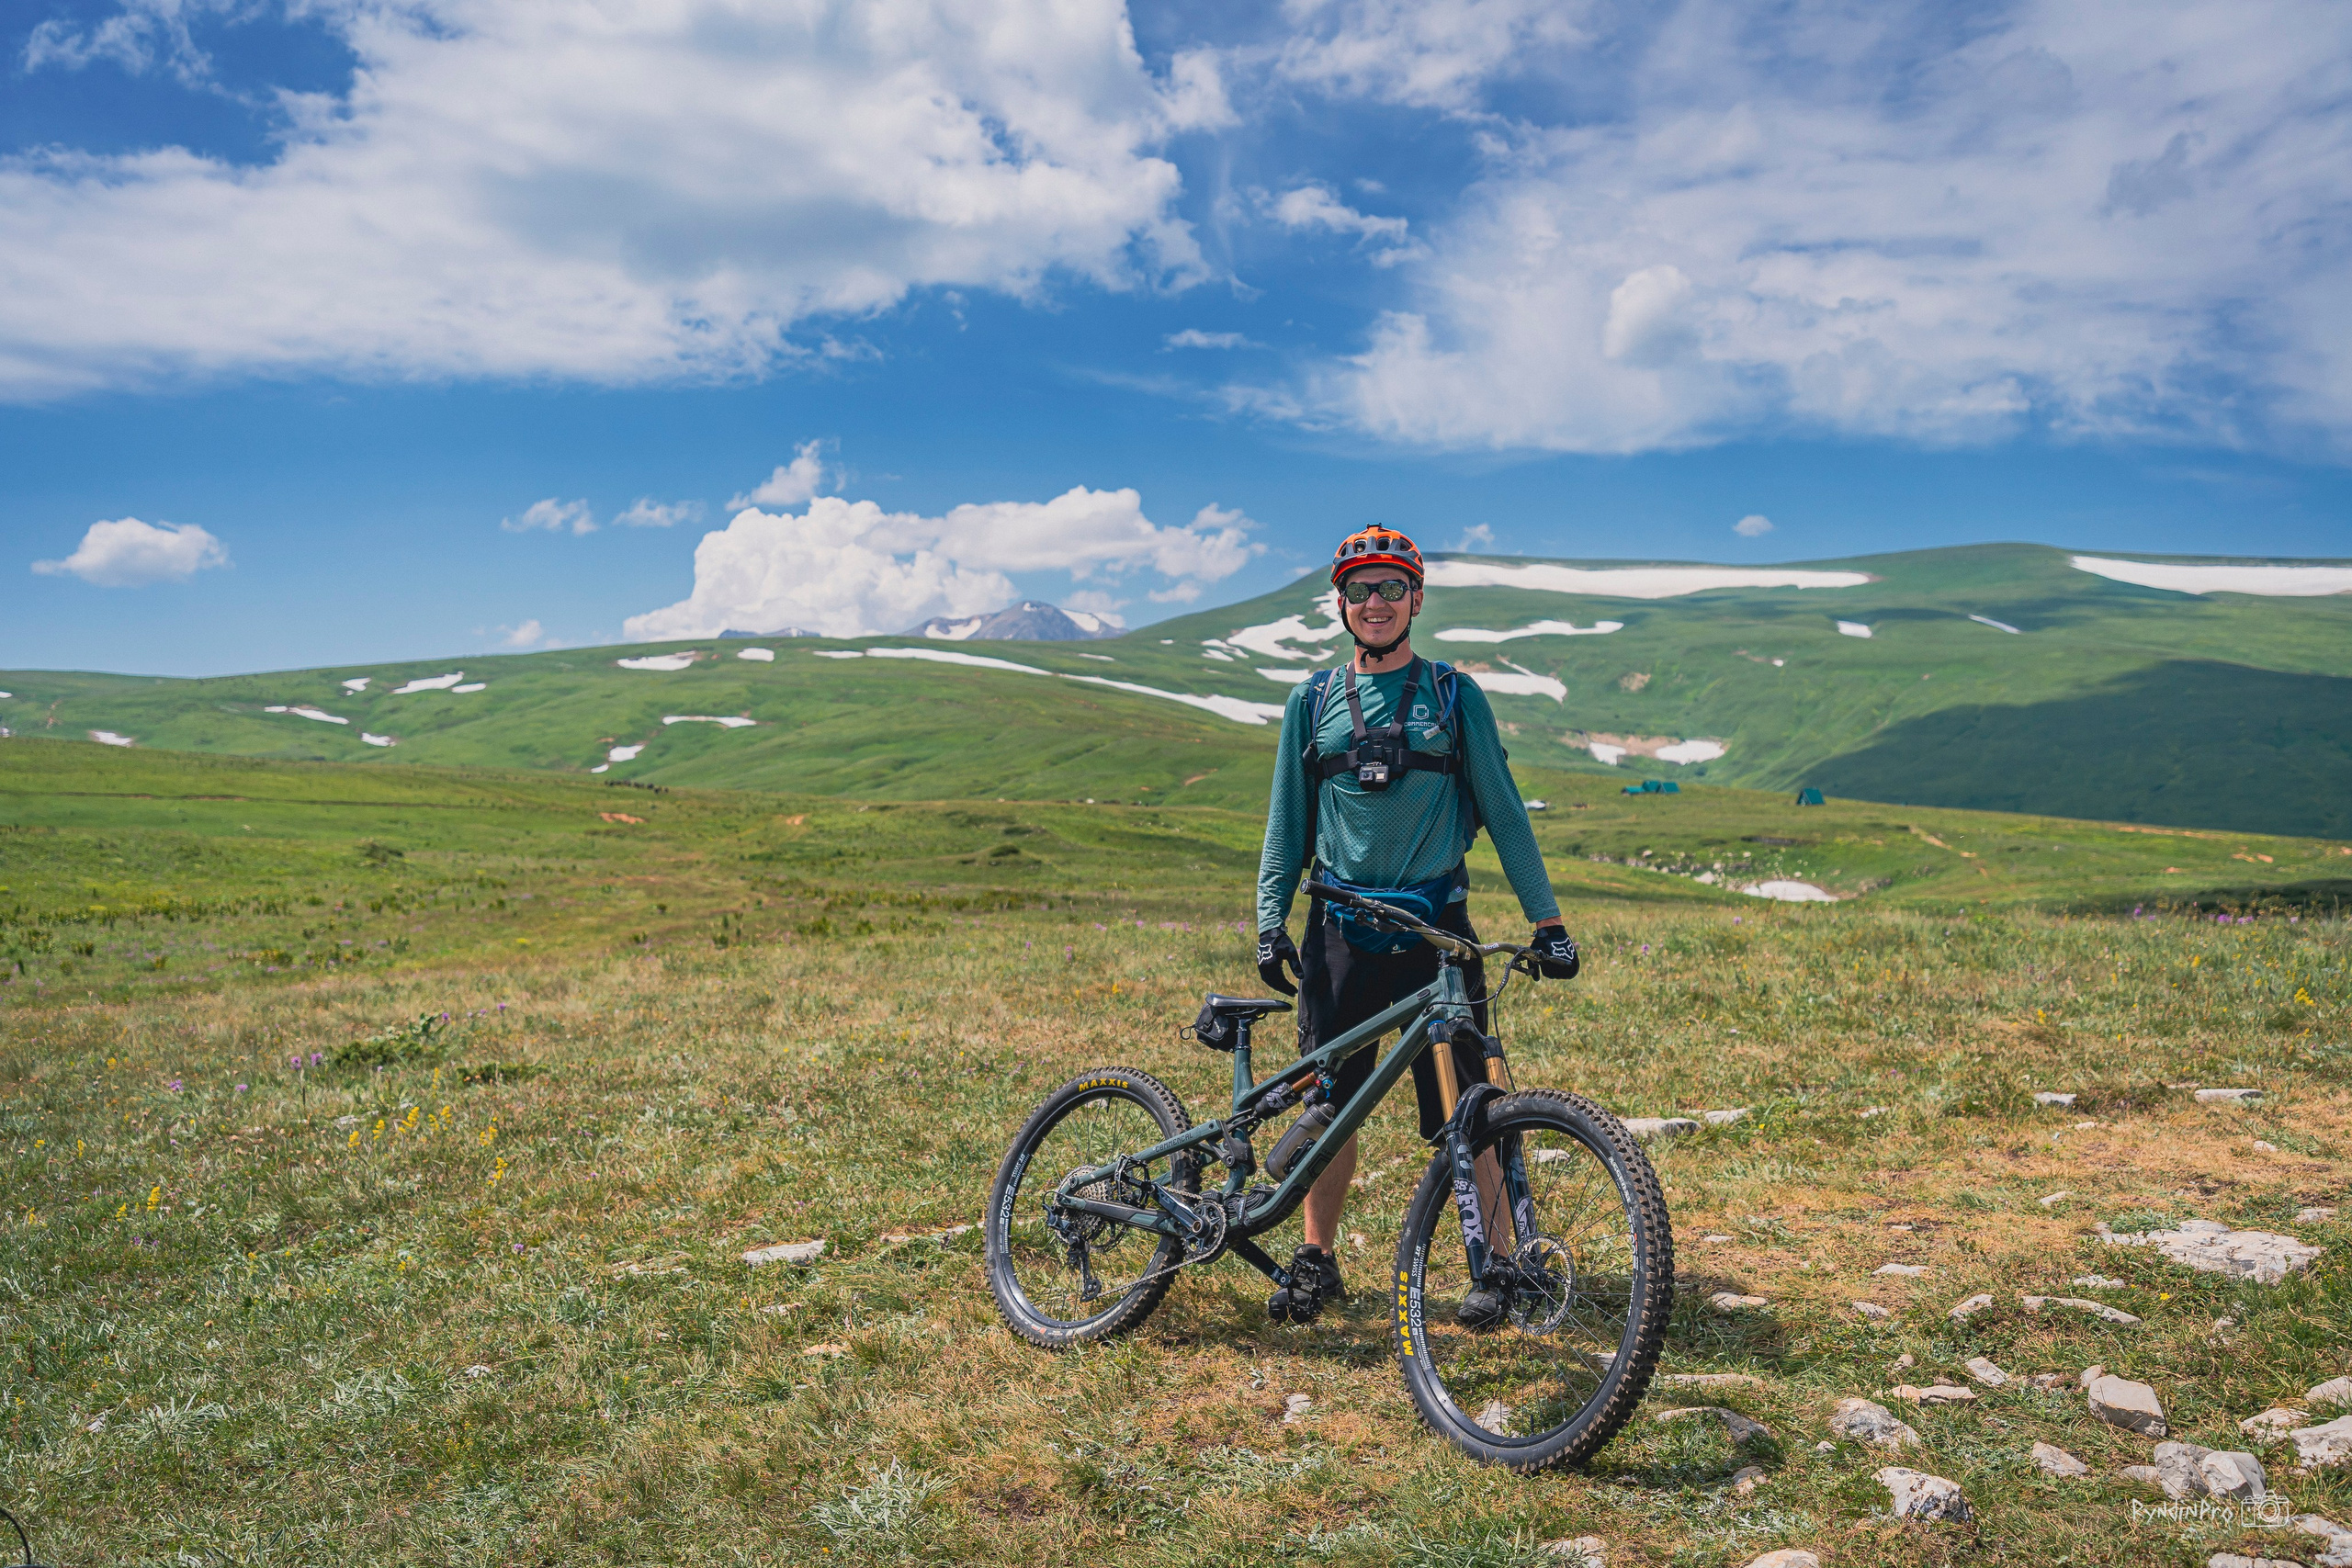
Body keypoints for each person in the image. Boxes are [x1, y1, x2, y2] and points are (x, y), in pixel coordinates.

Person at [1252, 525, 1579, 1325]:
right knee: (1331, 1100)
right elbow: (1286, 825)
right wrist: (1270, 921)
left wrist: (1549, 921)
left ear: (1416, 600)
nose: (1375, 603)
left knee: (1475, 1105)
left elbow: (1503, 810)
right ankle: (1317, 1257)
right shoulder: (1314, 703)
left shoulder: (1453, 696)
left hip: (1438, 936)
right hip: (1340, 935)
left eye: (1391, 588)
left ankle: (1497, 1266)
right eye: (1360, 589)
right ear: (1340, 602)